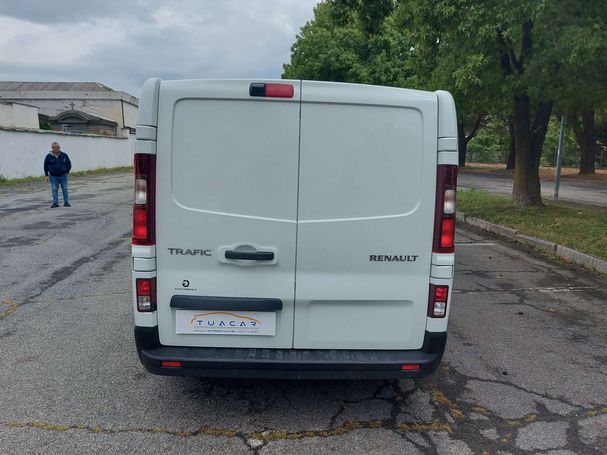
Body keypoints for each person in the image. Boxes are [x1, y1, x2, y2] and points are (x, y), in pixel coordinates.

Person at [44, 142, 72, 208]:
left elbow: (69, 164)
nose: (56, 148)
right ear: (52, 148)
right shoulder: (48, 156)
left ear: (59, 147)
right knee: (54, 189)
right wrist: (46, 175)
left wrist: (67, 172)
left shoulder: (64, 155)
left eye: (57, 147)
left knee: (65, 188)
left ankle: (66, 202)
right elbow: (45, 166)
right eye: (54, 147)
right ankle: (55, 203)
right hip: (53, 176)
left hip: (63, 175)